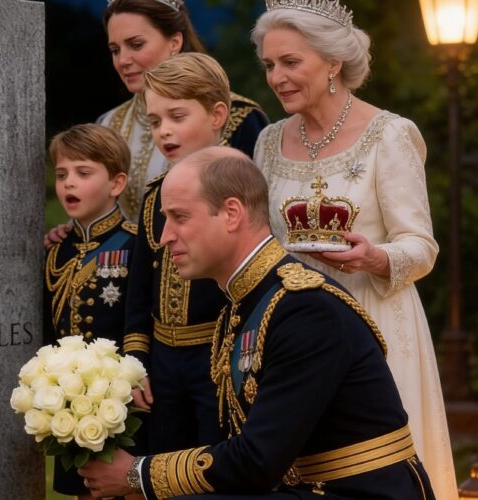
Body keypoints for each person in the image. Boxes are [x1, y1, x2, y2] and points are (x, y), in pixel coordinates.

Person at [78, 147, 436, 499]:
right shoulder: (245, 303)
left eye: (179, 217)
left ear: (231, 213)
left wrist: (136, 474)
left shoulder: (304, 309)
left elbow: (256, 461)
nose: (165, 235)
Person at [251, 1, 457, 497]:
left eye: (290, 62)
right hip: (295, 327)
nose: (277, 77)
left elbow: (421, 247)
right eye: (269, 65)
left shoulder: (390, 134)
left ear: (333, 62)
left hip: (376, 321)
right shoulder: (268, 141)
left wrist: (375, 257)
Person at [122, 52, 232, 459]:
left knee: (214, 468)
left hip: (217, 361)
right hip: (161, 367)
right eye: (154, 121)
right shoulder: (155, 196)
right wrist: (136, 359)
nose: (163, 131)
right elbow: (138, 291)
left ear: (217, 114)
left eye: (177, 117)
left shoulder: (241, 192)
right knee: (163, 467)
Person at [99, 0, 268, 222]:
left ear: (175, 42)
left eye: (136, 44)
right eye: (115, 50)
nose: (123, 60)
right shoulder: (108, 124)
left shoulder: (240, 117)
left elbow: (260, 216)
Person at [44, 123, 137, 498]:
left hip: (125, 401)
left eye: (83, 174)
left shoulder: (135, 245)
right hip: (70, 402)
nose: (69, 184)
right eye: (62, 174)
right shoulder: (57, 249)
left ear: (116, 184)